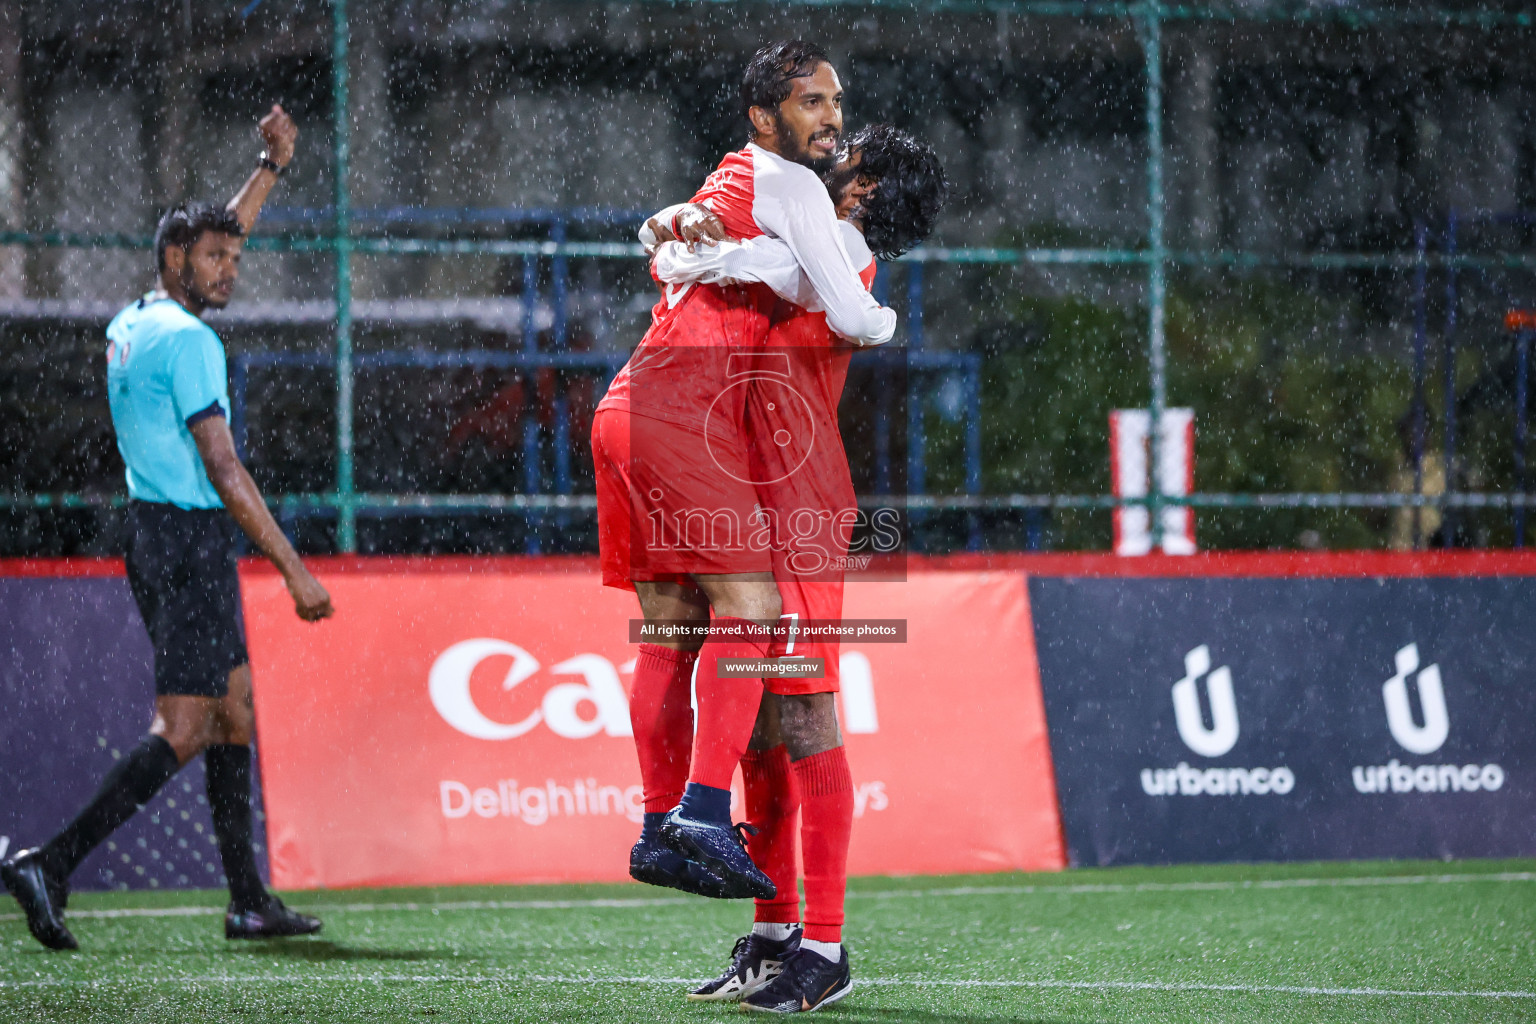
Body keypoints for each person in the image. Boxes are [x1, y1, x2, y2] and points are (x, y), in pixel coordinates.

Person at [0, 105, 333, 951]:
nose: (231, 268)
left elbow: (211, 237)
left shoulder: (135, 321)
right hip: (185, 543)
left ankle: (249, 902)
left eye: (236, 256)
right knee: (186, 727)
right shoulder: (191, 344)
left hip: (160, 536)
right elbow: (225, 469)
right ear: (176, 259)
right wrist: (294, 569)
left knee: (235, 711)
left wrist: (270, 167)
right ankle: (51, 861)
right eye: (216, 258)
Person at [640, 125, 948, 1014]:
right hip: (749, 496)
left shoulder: (839, 246)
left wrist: (688, 244)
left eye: (846, 152)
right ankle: (775, 938)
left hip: (800, 505)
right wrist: (685, 233)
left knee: (806, 714)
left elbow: (766, 271)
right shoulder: (807, 232)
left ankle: (825, 946)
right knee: (766, 727)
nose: (829, 153)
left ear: (864, 190)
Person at [592, 40, 896, 902]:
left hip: (634, 405)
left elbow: (677, 247)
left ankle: (664, 829)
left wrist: (685, 239)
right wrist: (886, 320)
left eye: (837, 103)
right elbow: (847, 309)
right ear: (765, 119)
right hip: (708, 435)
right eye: (813, 103)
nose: (832, 118)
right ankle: (699, 815)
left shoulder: (741, 186)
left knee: (676, 628)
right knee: (767, 653)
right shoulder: (791, 195)